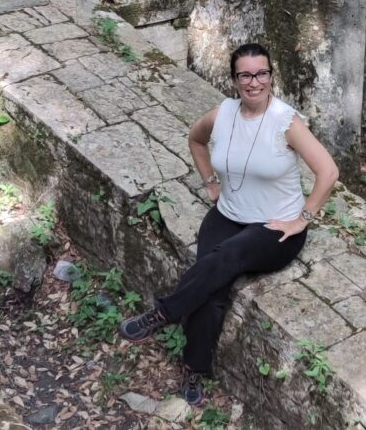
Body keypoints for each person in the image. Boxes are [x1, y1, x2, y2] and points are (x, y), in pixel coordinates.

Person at [118, 43, 339, 405]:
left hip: (273, 227)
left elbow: (328, 172)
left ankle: (162, 314)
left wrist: (303, 219)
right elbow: (195, 139)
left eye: (261, 73)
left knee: (226, 258)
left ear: (271, 75)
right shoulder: (222, 113)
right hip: (226, 215)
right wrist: (209, 182)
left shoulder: (286, 121)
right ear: (234, 79)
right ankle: (194, 369)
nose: (254, 82)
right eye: (245, 75)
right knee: (212, 289)